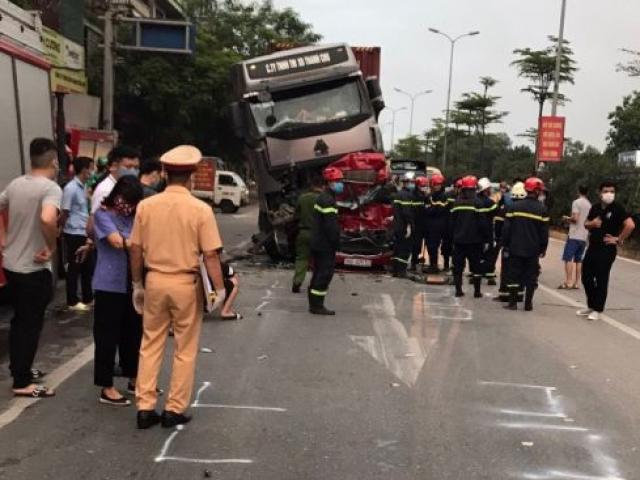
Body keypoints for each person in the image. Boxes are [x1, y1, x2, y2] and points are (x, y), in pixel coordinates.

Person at [130, 145, 226, 429]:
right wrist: (219, 290)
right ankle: (174, 409)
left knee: (150, 344)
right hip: (185, 282)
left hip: (154, 280)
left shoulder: (146, 206)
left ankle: (145, 407)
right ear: (192, 175)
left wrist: (137, 283)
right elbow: (210, 254)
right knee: (185, 348)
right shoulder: (201, 209)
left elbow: (135, 248)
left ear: (164, 173)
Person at [0, 138, 61, 398]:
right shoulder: (50, 188)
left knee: (19, 321)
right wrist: (51, 246)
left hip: (12, 264)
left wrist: (4, 239)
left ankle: (20, 368)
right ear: (54, 162)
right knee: (29, 324)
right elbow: (48, 218)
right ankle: (22, 382)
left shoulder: (16, 184)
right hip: (33, 270)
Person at [92, 176, 145, 406]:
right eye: (127, 201)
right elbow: (116, 242)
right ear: (117, 196)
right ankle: (106, 387)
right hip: (108, 285)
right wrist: (139, 245)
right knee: (106, 336)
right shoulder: (103, 214)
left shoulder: (134, 216)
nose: (129, 207)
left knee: (133, 334)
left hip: (131, 283)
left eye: (134, 203)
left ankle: (135, 379)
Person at [578, 181, 635, 321]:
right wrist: (592, 224)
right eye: (606, 191)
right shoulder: (595, 207)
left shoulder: (618, 208)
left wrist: (618, 239)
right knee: (586, 277)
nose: (609, 194)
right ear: (600, 193)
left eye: (612, 191)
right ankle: (591, 305)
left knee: (601, 278)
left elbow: (630, 225)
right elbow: (586, 223)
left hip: (606, 250)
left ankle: (598, 309)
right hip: (592, 248)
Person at [502, 177, 549, 311]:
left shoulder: (514, 207)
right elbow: (544, 232)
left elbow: (507, 229)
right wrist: (543, 248)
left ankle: (513, 303)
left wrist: (505, 244)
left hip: (515, 248)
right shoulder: (542, 209)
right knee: (531, 277)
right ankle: (528, 304)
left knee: (513, 275)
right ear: (538, 191)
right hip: (533, 250)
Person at [60, 156, 95, 312]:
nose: (92, 171)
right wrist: (60, 228)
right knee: (75, 267)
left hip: (84, 231)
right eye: (91, 168)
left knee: (87, 266)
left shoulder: (84, 187)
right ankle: (72, 301)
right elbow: (65, 211)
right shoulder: (71, 188)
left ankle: (88, 297)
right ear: (84, 169)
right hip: (73, 232)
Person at [308, 167, 342, 315]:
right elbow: (331, 227)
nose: (341, 184)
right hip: (325, 245)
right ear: (330, 183)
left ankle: (313, 303)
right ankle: (317, 305)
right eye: (338, 181)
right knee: (324, 273)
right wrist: (337, 242)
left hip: (318, 242)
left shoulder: (324, 197)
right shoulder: (328, 200)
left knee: (318, 272)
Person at [450, 176, 489, 298]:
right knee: (476, 268)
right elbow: (483, 224)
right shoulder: (478, 203)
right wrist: (487, 239)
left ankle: (458, 290)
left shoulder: (456, 203)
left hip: (459, 241)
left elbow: (451, 222)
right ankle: (477, 292)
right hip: (475, 242)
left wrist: (452, 237)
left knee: (458, 267)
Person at [494, 181, 526, 303]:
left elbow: (501, 226)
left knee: (508, 270)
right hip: (525, 245)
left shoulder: (507, 208)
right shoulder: (530, 208)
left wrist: (500, 241)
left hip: (510, 245)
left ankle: (505, 294)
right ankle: (519, 295)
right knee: (521, 271)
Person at [292, 176, 323, 293]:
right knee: (319, 261)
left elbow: (295, 216)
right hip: (318, 235)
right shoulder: (324, 199)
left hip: (303, 233)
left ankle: (297, 282)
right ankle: (315, 285)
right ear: (322, 186)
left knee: (302, 259)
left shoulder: (302, 198)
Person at [559, 185, 591, 289]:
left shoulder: (576, 202)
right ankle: (576, 283)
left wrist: (567, 218)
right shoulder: (589, 205)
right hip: (584, 235)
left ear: (578, 191)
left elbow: (575, 219)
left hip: (574, 235)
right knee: (579, 260)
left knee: (568, 258)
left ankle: (568, 281)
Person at [91, 145, 140, 215]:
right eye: (128, 167)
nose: (133, 171)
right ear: (114, 166)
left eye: (136, 168)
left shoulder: (124, 188)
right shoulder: (106, 190)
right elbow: (95, 220)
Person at [391, 173, 415, 278]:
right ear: (409, 183)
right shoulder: (407, 195)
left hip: (396, 226)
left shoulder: (398, 194)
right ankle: (402, 271)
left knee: (397, 248)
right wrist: (409, 226)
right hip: (403, 226)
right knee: (404, 249)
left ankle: (395, 271)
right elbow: (406, 212)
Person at [424, 173, 448, 273]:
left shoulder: (442, 196)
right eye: (436, 184)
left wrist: (429, 209)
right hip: (429, 224)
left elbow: (437, 211)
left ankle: (434, 266)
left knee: (434, 245)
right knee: (430, 245)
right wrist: (429, 208)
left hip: (437, 225)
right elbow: (426, 209)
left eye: (439, 184)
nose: (437, 186)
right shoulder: (430, 196)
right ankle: (432, 264)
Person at [476, 177, 498, 285]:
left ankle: (475, 274)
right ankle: (489, 276)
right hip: (488, 232)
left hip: (476, 233)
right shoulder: (490, 203)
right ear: (485, 189)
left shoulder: (474, 201)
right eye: (489, 189)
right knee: (489, 254)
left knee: (477, 254)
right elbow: (497, 213)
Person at [410, 176, 429, 272]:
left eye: (425, 186)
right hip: (415, 224)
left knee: (419, 244)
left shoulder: (424, 196)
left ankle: (416, 261)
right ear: (417, 186)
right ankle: (413, 262)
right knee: (415, 245)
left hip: (422, 224)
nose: (424, 187)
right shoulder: (413, 196)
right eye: (422, 186)